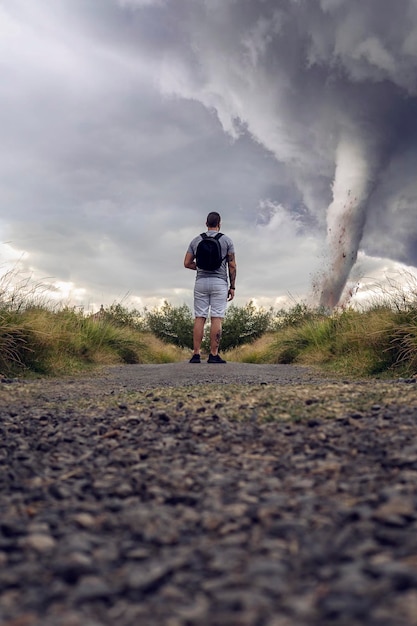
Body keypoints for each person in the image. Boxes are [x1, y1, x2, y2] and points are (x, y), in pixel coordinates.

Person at [184, 212, 236, 363]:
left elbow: (187, 263)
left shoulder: (196, 240)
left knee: (199, 317)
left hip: (200, 282)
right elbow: (232, 265)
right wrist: (232, 287)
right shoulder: (227, 241)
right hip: (219, 283)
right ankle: (213, 355)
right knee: (216, 317)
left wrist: (200, 268)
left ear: (206, 223)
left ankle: (196, 354)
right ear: (219, 223)